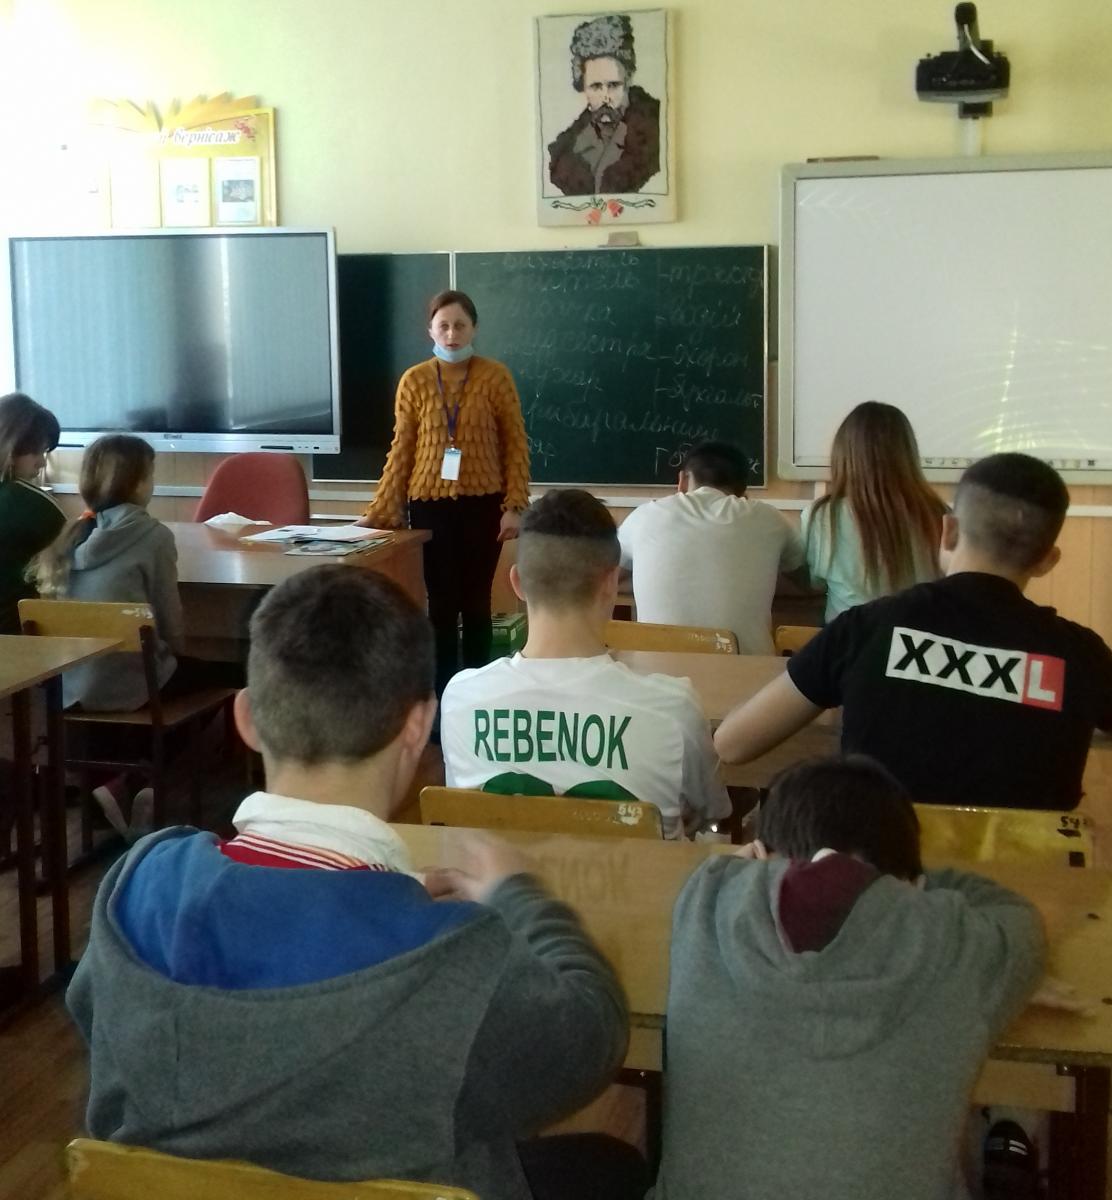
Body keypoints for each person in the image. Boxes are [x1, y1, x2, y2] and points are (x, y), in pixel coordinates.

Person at [67, 566, 644, 1200]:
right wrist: (520, 893)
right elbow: (592, 1038)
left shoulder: (139, 880)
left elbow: (93, 1014)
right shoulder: (457, 959)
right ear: (417, 726)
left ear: (247, 718)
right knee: (611, 1165)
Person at [652, 755, 1045, 1200]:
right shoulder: (958, 941)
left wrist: (764, 872)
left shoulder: (707, 897)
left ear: (763, 857)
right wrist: (897, 882)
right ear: (913, 884)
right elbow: (1018, 915)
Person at [715, 453, 1112, 810]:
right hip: (1029, 867)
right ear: (1047, 561)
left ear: (948, 532)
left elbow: (733, 744)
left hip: (880, 862)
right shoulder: (1084, 656)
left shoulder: (867, 627)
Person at [441, 488, 730, 839]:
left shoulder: (460, 697)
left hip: (501, 876)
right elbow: (710, 812)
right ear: (610, 583)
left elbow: (461, 818)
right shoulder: (673, 708)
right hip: (641, 876)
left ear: (516, 582)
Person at [356, 290, 531, 695]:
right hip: (429, 506)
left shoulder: (495, 377)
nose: (452, 334)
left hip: (483, 505)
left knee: (476, 602)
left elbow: (515, 445)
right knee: (441, 604)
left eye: (460, 326)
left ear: (474, 329)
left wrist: (515, 505)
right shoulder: (414, 380)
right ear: (430, 330)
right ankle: (445, 696)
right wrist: (380, 510)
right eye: (444, 326)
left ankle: (479, 693)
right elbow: (402, 450)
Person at [38, 434, 184, 714]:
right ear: (139, 483)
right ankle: (168, 741)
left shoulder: (70, 535)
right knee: (229, 673)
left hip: (68, 689)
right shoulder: (154, 536)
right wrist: (177, 653)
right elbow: (170, 620)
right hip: (134, 686)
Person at [617, 440, 808, 653]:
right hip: (747, 667)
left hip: (654, 667)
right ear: (743, 490)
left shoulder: (644, 516)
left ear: (682, 480)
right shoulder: (770, 519)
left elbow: (610, 576)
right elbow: (806, 582)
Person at [801, 401, 946, 622]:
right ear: (908, 454)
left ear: (843, 455)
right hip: (917, 640)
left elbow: (815, 583)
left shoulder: (822, 515)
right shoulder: (940, 514)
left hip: (849, 639)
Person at [547, 13, 661, 197]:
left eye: (613, 85)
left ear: (628, 80)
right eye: (596, 87)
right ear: (583, 86)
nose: (605, 97)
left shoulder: (658, 134)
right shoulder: (566, 151)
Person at [0, 392, 64, 634]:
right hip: (19, 636)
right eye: (37, 451)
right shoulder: (33, 504)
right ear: (11, 446)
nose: (42, 462)